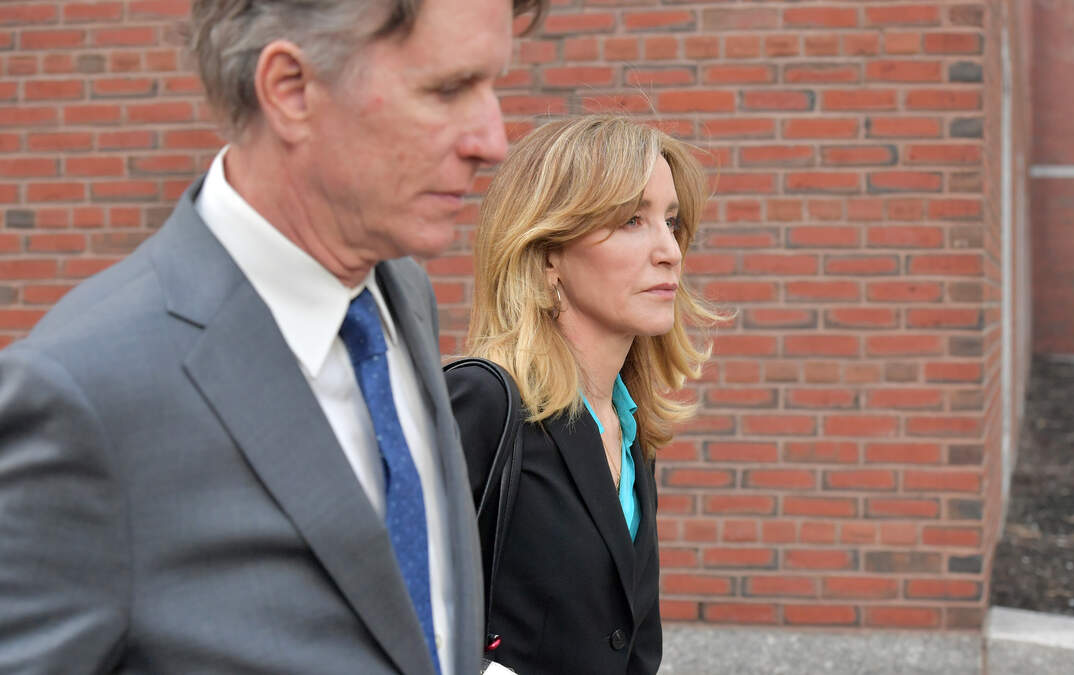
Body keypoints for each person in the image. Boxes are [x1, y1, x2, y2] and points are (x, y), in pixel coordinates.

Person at [0, 0, 545, 672]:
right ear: (290, 89)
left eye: (492, 85)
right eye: (448, 89)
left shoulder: (400, 293)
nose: (493, 141)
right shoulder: (82, 394)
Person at [446, 115, 724, 674]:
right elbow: (384, 609)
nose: (669, 250)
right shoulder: (484, 403)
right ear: (548, 254)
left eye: (671, 222)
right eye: (631, 220)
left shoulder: (629, 428)